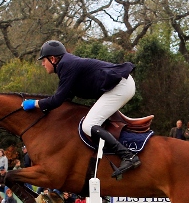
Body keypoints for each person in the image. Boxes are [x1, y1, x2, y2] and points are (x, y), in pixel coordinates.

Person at [21, 40, 140, 178]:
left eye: (43, 60)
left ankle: (128, 156)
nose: (42, 64)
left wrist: (34, 103)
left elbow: (57, 100)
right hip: (120, 85)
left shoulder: (66, 65)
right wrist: (44, 109)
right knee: (90, 123)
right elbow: (66, 99)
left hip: (121, 86)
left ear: (52, 59)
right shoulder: (66, 66)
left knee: (88, 125)